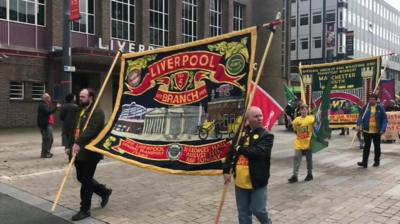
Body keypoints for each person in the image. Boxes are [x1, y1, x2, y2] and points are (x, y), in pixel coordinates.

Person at [223, 106, 274, 224]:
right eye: (256, 116)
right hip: (240, 181)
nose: (260, 118)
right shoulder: (241, 134)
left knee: (259, 210)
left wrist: (240, 149)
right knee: (243, 212)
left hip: (257, 180)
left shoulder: (266, 136)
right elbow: (230, 153)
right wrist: (226, 171)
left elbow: (258, 152)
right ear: (248, 119)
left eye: (261, 115)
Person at [70, 88, 112, 221]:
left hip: (90, 152)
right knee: (81, 178)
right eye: (79, 96)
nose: (80, 99)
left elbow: (92, 130)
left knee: (86, 180)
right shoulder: (79, 110)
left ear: (91, 98)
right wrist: (69, 145)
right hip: (77, 151)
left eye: (83, 97)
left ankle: (84, 209)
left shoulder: (97, 112)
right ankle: (103, 191)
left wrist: (78, 142)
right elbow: (74, 129)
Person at [356, 94, 388, 168]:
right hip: (367, 131)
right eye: (370, 99)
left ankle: (376, 161)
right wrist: (358, 124)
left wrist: (383, 129)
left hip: (377, 131)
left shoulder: (380, 108)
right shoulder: (365, 107)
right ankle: (364, 162)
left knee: (377, 146)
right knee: (366, 147)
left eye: (373, 99)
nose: (371, 100)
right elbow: (361, 116)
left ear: (376, 100)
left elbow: (384, 119)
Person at [288, 104, 315, 183]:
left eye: (305, 109)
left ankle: (309, 174)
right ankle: (295, 176)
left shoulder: (311, 118)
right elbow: (294, 127)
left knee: (309, 160)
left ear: (307, 110)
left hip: (308, 143)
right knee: (296, 159)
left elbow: (317, 123)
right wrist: (290, 121)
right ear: (300, 111)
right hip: (299, 143)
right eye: (302, 110)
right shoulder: (297, 119)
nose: (303, 111)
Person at [37, 93, 61, 158]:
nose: (50, 98)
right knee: (47, 139)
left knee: (50, 139)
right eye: (49, 97)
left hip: (48, 124)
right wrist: (56, 107)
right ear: (46, 98)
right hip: (45, 125)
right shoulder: (42, 105)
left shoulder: (46, 104)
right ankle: (44, 154)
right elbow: (48, 112)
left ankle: (47, 152)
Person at [60, 93, 78, 161]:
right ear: (72, 98)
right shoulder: (75, 106)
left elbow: (61, 117)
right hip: (73, 127)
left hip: (65, 126)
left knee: (68, 141)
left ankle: (69, 154)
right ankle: (72, 157)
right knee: (73, 141)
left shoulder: (63, 106)